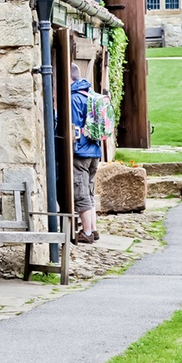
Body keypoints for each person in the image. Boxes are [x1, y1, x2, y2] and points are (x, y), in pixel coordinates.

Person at [70, 63, 100, 244]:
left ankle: (86, 233)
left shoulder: (74, 98)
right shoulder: (92, 95)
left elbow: (73, 128)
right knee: (89, 191)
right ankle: (94, 229)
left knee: (81, 193)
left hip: (81, 152)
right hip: (95, 150)